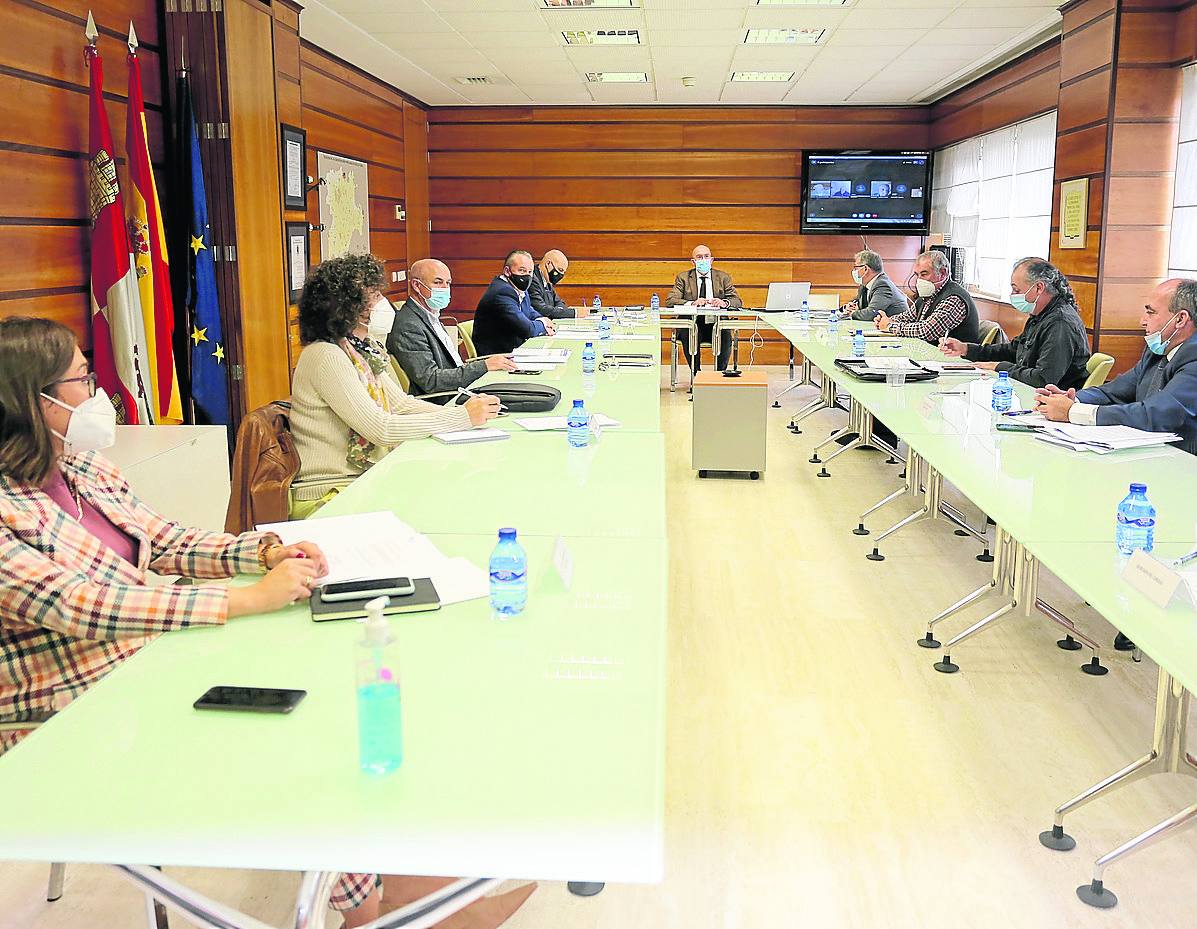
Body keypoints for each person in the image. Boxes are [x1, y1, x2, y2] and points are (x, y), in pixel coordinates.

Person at [0, 316, 536, 929]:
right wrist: (243, 600)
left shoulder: (80, 468)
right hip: (68, 716)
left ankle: (392, 881)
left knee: (334, 689)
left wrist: (262, 551)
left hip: (154, 664)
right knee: (312, 733)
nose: (98, 390)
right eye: (83, 377)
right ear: (33, 400)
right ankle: (374, 909)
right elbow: (80, 604)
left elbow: (165, 540)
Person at [1035, 278, 1197, 655]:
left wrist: (1076, 414)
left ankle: (1148, 616)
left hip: (1181, 476)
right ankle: (1124, 591)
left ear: (1181, 319)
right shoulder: (1159, 351)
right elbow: (1117, 389)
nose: (1142, 320)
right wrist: (1072, 397)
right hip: (1147, 465)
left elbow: (1160, 414)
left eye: (1151, 311)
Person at [289, 254, 500, 517]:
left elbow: (401, 404)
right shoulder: (326, 356)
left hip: (365, 477)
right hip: (331, 494)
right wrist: (460, 417)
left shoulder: (359, 350)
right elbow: (381, 429)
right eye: (374, 297)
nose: (383, 303)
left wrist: (470, 414)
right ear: (344, 306)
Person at [940, 257, 1091, 389]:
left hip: (1051, 402)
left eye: (1016, 290)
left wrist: (1000, 367)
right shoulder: (1039, 315)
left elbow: (1043, 380)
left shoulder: (1060, 323)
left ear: (1039, 288)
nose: (1012, 295)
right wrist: (966, 349)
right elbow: (1014, 350)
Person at [387, 258, 516, 398]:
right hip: (446, 401)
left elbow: (454, 364)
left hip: (462, 388)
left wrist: (491, 363)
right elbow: (431, 381)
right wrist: (484, 366)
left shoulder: (430, 316)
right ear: (417, 285)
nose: (445, 288)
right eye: (437, 282)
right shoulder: (409, 325)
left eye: (448, 283)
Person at [665, 244, 742, 371]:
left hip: (716, 323)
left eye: (706, 257)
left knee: (725, 334)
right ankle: (696, 376)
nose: (703, 260)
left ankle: (719, 376)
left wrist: (724, 303)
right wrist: (692, 303)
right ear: (693, 262)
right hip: (693, 323)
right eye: (699, 257)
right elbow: (670, 300)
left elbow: (737, 301)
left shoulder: (723, 277)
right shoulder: (683, 278)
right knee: (689, 331)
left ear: (711, 260)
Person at [876, 249, 980, 344]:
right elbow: (907, 317)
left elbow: (927, 331)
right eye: (917, 275)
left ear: (943, 273)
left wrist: (890, 326)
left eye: (924, 274)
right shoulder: (928, 295)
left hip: (955, 360)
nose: (919, 280)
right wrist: (885, 320)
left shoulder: (954, 298)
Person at [472, 250, 556, 355]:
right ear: (507, 271)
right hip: (498, 357)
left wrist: (544, 319)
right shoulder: (502, 292)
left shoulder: (518, 288)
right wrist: (543, 324)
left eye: (530, 272)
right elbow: (527, 330)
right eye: (522, 270)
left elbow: (529, 311)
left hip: (513, 351)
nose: (527, 276)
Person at [841, 249, 909, 322]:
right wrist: (849, 307)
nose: (854, 271)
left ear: (865, 269)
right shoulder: (865, 285)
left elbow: (871, 313)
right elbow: (857, 302)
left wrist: (853, 313)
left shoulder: (883, 285)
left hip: (897, 329)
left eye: (856, 267)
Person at [528, 249, 578, 319]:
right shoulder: (532, 279)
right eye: (560, 270)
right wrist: (575, 313)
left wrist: (557, 311)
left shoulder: (547, 281)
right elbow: (541, 309)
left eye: (563, 272)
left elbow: (560, 303)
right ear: (548, 264)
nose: (561, 274)